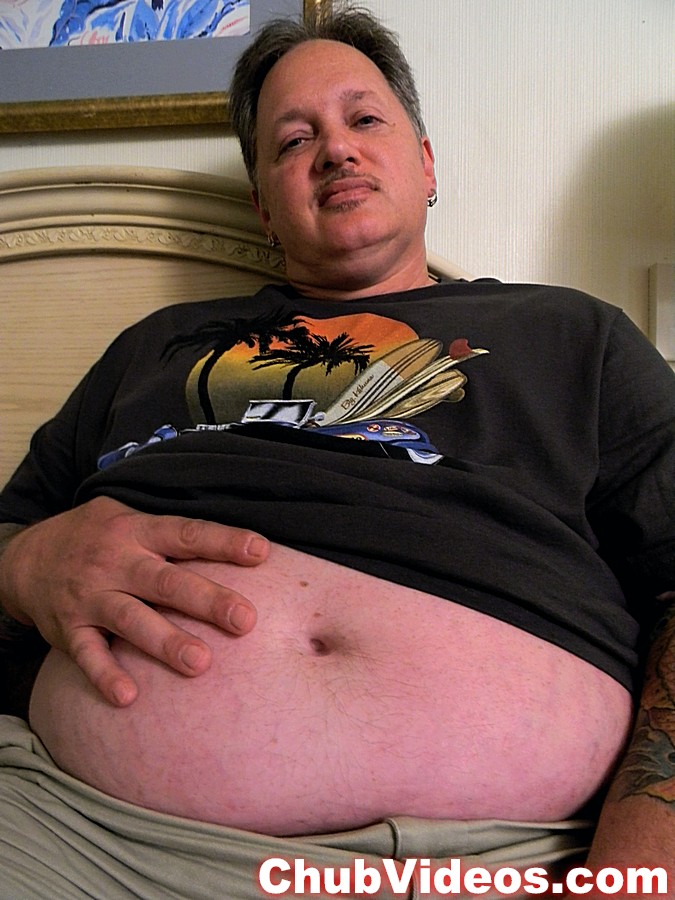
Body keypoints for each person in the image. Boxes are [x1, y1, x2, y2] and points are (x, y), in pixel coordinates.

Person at [0, 3, 673, 897]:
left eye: (364, 119)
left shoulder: (573, 335)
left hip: (502, 859)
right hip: (85, 837)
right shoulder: (155, 349)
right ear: (261, 206)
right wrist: (25, 563)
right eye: (293, 140)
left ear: (425, 164)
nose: (336, 151)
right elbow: (10, 536)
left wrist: (639, 864)